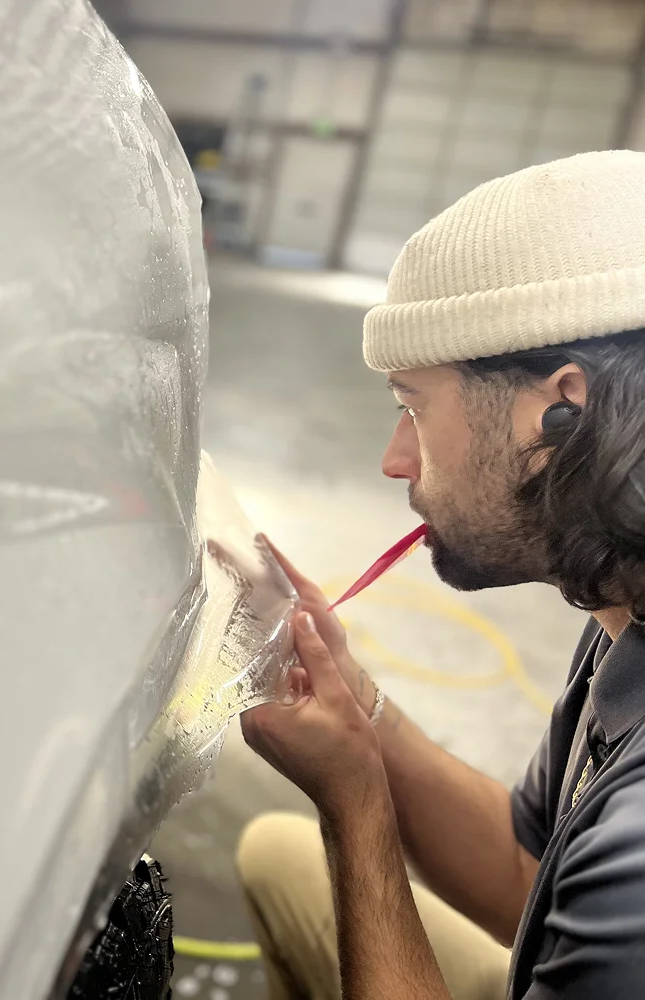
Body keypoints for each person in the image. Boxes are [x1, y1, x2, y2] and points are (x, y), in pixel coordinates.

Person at [236, 149, 645, 1000]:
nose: (394, 461)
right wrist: (357, 702)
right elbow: (527, 867)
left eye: (411, 406)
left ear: (557, 409)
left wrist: (357, 810)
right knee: (278, 857)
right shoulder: (620, 595)